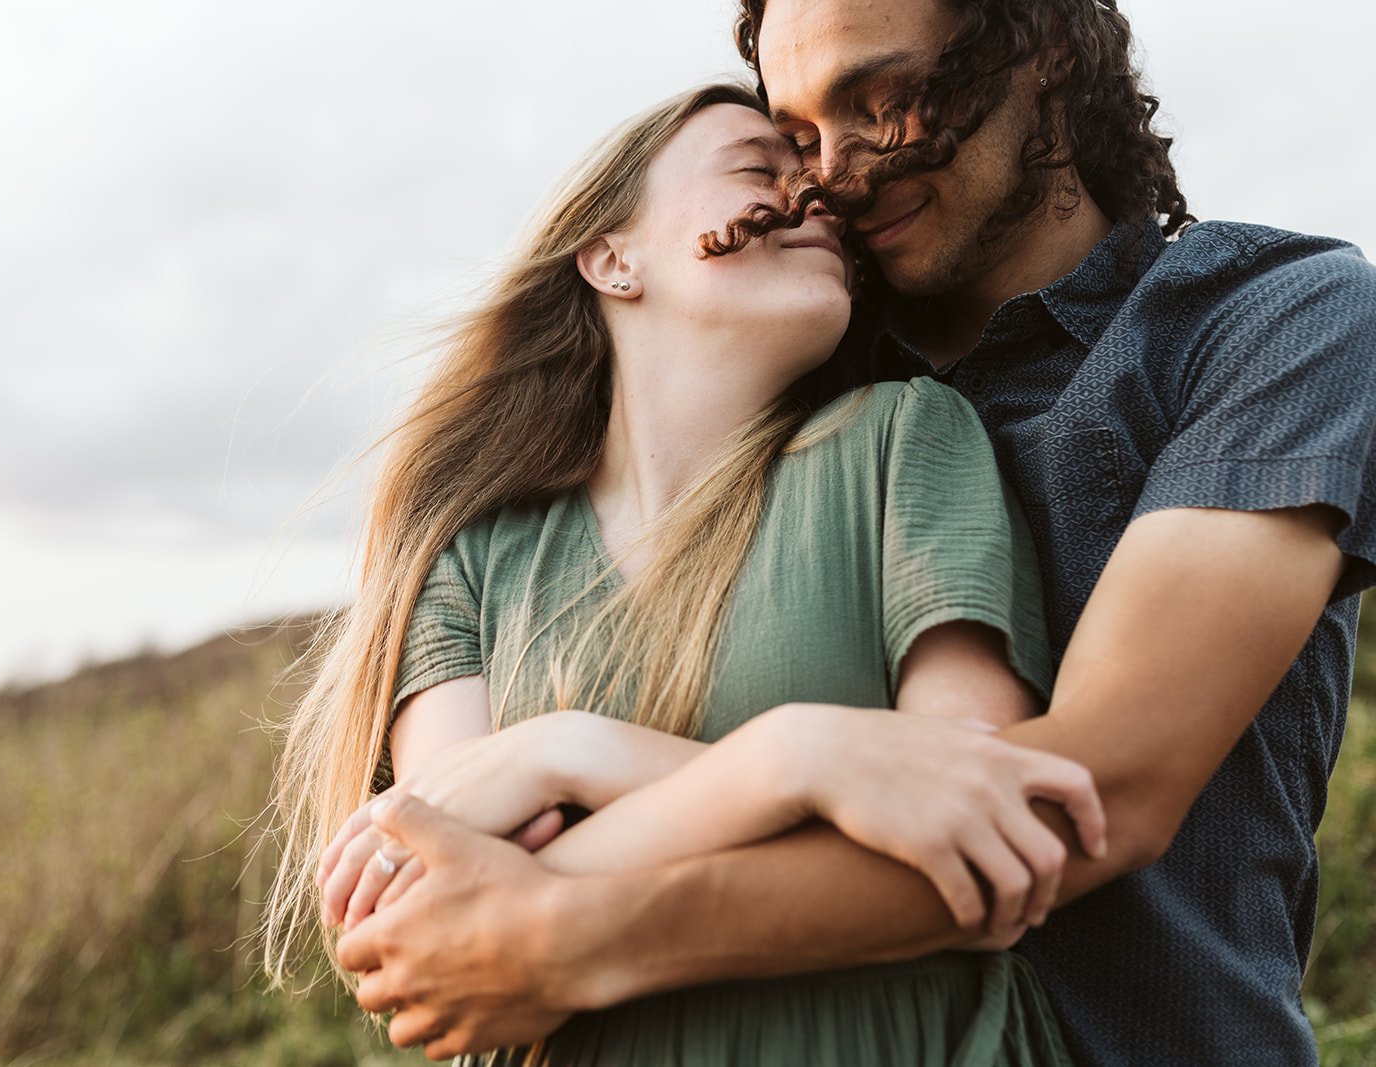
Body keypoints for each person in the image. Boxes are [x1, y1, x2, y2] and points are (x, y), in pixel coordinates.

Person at [328, 2, 1376, 1066]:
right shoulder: (795, 363)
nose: (832, 174)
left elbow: (1092, 793)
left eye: (881, 99)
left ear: (1045, 50)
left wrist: (565, 926)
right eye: (795, 136)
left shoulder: (1268, 319)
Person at [262, 82, 1114, 1064]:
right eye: (758, 167)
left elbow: (974, 815)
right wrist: (797, 764)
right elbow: (431, 909)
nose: (811, 195)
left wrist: (562, 758)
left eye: (815, 184)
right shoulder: (474, 556)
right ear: (612, 258)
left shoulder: (903, 441)